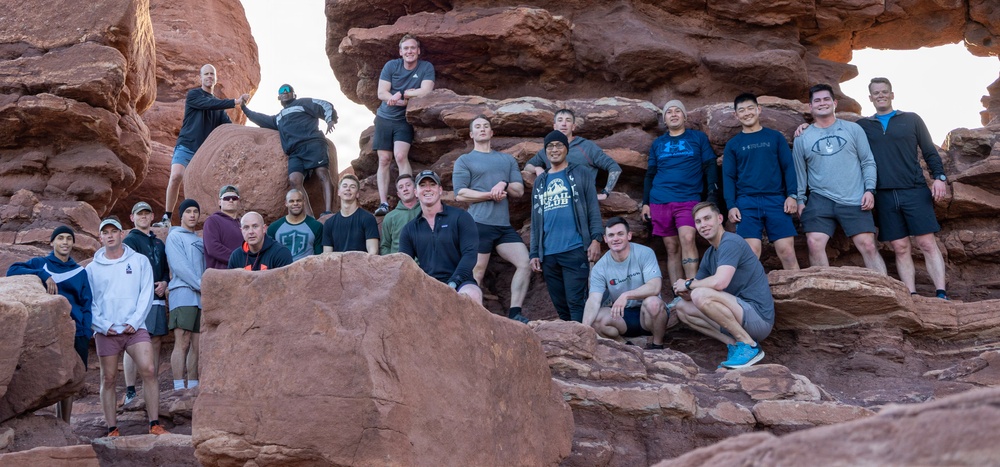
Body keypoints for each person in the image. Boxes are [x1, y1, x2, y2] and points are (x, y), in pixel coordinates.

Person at [856, 77, 949, 299]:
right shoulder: (863, 126)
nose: (880, 95)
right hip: (884, 195)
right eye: (876, 93)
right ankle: (911, 295)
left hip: (914, 189)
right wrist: (806, 126)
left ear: (892, 95)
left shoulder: (911, 119)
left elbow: (929, 151)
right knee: (900, 247)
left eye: (884, 91)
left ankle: (941, 293)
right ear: (870, 98)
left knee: (927, 243)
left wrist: (939, 177)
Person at [792, 84, 886, 273]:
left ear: (834, 103)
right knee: (814, 243)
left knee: (868, 245)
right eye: (817, 100)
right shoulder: (802, 137)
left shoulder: (853, 129)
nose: (822, 103)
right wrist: (800, 200)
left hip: (854, 197)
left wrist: (869, 190)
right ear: (810, 106)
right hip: (820, 198)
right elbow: (799, 172)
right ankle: (823, 286)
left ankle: (884, 285)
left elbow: (868, 161)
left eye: (826, 99)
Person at [86, 218, 167, 436]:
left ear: (122, 234)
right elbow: (90, 301)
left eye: (114, 231)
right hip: (107, 330)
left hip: (135, 328)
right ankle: (112, 428)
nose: (110, 235)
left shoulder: (139, 261)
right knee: (108, 378)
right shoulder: (92, 268)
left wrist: (135, 321)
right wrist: (103, 325)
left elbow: (146, 292)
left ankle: (154, 424)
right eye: (105, 232)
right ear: (100, 237)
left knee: (149, 370)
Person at [672, 202, 775, 369]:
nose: (703, 225)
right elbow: (693, 293)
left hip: (758, 317)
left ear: (720, 219)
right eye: (698, 221)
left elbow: (720, 282)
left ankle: (749, 346)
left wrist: (689, 284)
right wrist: (682, 290)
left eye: (707, 218)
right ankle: (734, 345)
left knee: (700, 294)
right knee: (682, 307)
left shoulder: (731, 242)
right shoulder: (710, 254)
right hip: (736, 314)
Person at [6, 225, 92, 423]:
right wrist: (43, 275)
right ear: (52, 242)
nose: (65, 242)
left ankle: (66, 424)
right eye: (60, 238)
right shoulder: (41, 263)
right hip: (50, 330)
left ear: (73, 243)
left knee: (71, 380)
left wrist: (86, 330)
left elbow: (87, 303)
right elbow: (12, 270)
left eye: (68, 238)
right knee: (54, 377)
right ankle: (54, 422)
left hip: (77, 331)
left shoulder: (79, 271)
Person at [453, 116, 531, 322]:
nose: (482, 129)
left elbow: (519, 190)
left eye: (486, 126)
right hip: (478, 224)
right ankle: (469, 317)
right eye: (477, 127)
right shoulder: (465, 160)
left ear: (492, 132)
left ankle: (515, 313)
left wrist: (503, 183)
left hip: (503, 226)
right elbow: (460, 194)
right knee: (477, 272)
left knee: (525, 263)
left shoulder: (507, 160)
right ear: (471, 134)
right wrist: (489, 194)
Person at [642, 100, 718, 288]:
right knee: (671, 247)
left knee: (688, 238)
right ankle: (678, 292)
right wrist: (645, 203)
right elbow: (650, 174)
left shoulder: (697, 138)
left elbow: (710, 166)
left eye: (678, 111)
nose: (674, 114)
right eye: (669, 112)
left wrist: (712, 193)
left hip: (688, 198)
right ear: (665, 119)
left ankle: (692, 287)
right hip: (660, 200)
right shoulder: (658, 143)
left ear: (685, 117)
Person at [529, 130, 603, 322]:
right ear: (545, 151)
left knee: (576, 303)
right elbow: (536, 219)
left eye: (559, 145)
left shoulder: (581, 172)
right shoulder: (540, 181)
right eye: (550, 146)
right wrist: (534, 252)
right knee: (560, 306)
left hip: (575, 249)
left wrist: (596, 239)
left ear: (566, 149)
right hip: (549, 254)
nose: (554, 150)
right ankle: (568, 339)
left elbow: (593, 208)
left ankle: (580, 339)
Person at [160, 64, 245, 226]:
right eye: (206, 74)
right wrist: (235, 102)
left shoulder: (219, 107)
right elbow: (207, 104)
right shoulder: (194, 95)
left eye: (212, 74)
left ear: (216, 78)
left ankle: (208, 222)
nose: (209, 76)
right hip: (186, 145)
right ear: (201, 78)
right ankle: (166, 218)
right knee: (176, 176)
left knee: (202, 187)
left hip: (202, 154)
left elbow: (229, 127)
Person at [722, 93, 800, 270]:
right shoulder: (733, 144)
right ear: (736, 115)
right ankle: (752, 289)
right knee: (751, 253)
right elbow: (728, 177)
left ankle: (796, 285)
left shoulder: (775, 137)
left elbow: (788, 167)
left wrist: (792, 195)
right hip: (746, 202)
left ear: (759, 109)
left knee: (787, 252)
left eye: (750, 108)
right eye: (742, 110)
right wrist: (731, 205)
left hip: (776, 200)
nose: (747, 113)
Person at [240, 84, 338, 216]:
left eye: (288, 90)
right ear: (279, 97)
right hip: (295, 152)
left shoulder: (303, 103)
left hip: (313, 143)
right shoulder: (278, 118)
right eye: (282, 91)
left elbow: (323, 105)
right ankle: (310, 218)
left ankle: (328, 212)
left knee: (322, 173)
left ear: (294, 95)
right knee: (294, 180)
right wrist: (244, 108)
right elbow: (259, 118)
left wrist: (330, 119)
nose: (285, 92)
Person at [373, 34, 436, 216]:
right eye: (405, 48)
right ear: (400, 52)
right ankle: (383, 203)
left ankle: (408, 200)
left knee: (400, 156)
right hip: (385, 118)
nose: (409, 51)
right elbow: (381, 93)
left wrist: (403, 94)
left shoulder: (426, 67)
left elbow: (427, 90)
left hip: (404, 120)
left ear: (418, 51)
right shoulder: (391, 66)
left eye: (412, 48)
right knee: (384, 159)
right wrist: (399, 98)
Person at [399, 170, 483, 304]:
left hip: (461, 282)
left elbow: (470, 254)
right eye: (422, 185)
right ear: (415, 192)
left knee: (472, 295)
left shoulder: (461, 217)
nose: (428, 189)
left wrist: (453, 282)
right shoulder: (409, 229)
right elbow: (404, 265)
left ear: (440, 190)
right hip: (427, 284)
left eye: (432, 185)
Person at [584, 217, 670, 349]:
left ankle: (657, 346)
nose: (615, 239)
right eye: (611, 235)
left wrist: (626, 295)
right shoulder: (600, 267)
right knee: (596, 318)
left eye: (620, 234)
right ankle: (627, 347)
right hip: (623, 317)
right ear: (605, 239)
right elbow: (594, 300)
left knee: (653, 303)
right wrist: (584, 328)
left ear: (629, 235)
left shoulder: (645, 253)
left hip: (648, 315)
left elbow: (655, 286)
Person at [121, 202, 169, 406]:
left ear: (152, 217)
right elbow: (128, 270)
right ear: (132, 218)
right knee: (133, 342)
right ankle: (131, 390)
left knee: (155, 340)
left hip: (157, 298)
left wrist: (165, 282)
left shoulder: (158, 243)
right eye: (139, 214)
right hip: (138, 299)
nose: (143, 216)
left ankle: (151, 385)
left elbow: (165, 269)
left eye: (146, 213)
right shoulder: (130, 241)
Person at [523, 108, 622, 200]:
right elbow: (528, 166)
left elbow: (614, 167)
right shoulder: (549, 149)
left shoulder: (586, 146)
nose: (564, 124)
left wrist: (605, 193)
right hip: (556, 201)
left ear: (573, 127)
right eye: (560, 120)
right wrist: (537, 168)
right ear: (554, 126)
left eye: (568, 120)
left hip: (582, 202)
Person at [165, 199, 205, 391]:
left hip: (200, 297)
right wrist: (201, 285)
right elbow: (180, 266)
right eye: (188, 211)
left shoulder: (200, 240)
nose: (192, 215)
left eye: (195, 211)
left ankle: (193, 383)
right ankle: (179, 385)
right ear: (181, 215)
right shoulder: (174, 237)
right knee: (183, 340)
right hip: (182, 293)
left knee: (198, 343)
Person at [322, 174, 379, 254]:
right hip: (337, 262)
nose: (348, 189)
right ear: (338, 192)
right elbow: (327, 255)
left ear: (357, 194)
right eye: (344, 186)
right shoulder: (329, 223)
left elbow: (373, 251)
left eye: (352, 187)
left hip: (362, 262)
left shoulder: (368, 218)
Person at [267, 189, 323, 261]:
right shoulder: (274, 228)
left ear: (304, 202)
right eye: (291, 201)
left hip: (307, 267)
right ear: (286, 203)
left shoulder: (316, 226)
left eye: (298, 200)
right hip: (282, 267)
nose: (295, 203)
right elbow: (269, 256)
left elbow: (319, 256)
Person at [229, 212, 293, 270]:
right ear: (241, 231)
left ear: (264, 229)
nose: (251, 232)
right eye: (246, 227)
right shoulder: (236, 256)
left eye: (255, 226)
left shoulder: (281, 253)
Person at [203, 184, 243, 269]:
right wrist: (238, 260)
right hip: (222, 274)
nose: (231, 200)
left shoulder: (243, 224)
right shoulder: (212, 221)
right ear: (219, 202)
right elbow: (213, 248)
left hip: (245, 272)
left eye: (234, 198)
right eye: (226, 198)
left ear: (238, 202)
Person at [379, 174, 421, 255]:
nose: (405, 189)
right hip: (399, 261)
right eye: (401, 187)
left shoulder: (426, 210)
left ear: (415, 189)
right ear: (398, 194)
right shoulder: (390, 217)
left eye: (408, 185)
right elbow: (385, 246)